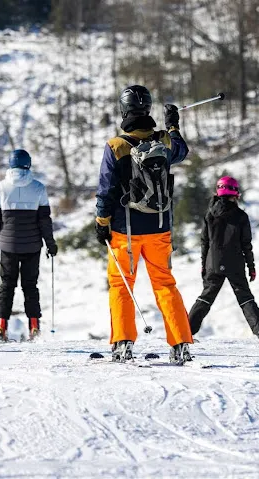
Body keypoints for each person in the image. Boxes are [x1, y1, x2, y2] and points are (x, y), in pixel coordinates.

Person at [94, 85, 192, 363]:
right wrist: (173, 126)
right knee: (165, 284)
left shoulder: (116, 146)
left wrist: (102, 222)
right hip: (160, 228)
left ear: (123, 110)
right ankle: (181, 344)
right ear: (148, 109)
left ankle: (123, 343)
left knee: (122, 285)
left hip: (125, 232)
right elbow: (182, 151)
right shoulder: (163, 141)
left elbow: (106, 190)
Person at [188, 176, 259, 344]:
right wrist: (251, 267)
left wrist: (204, 266)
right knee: (245, 297)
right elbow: (246, 245)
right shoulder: (241, 216)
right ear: (235, 194)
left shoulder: (209, 215)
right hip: (235, 263)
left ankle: (186, 332)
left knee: (205, 297)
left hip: (213, 262)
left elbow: (204, 243)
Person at [0, 149, 57, 341]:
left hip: (8, 246)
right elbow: (45, 219)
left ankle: (2, 326)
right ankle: (34, 326)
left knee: (7, 285)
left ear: (11, 164)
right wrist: (50, 244)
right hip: (32, 246)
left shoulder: (1, 187)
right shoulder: (38, 188)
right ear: (28, 164)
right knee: (30, 286)